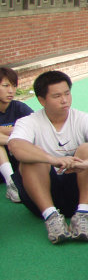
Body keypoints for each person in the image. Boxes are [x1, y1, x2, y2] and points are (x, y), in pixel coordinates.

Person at [9, 70, 88, 243]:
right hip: (40, 195)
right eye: (57, 96)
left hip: (79, 189)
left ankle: (83, 214)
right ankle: (51, 218)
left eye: (67, 93)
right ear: (41, 100)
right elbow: (16, 146)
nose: (64, 100)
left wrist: (87, 163)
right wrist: (53, 160)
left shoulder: (85, 119)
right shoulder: (29, 122)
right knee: (32, 158)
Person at [0, 66, 33, 203]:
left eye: (14, 86)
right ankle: (11, 183)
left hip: (18, 162)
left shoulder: (19, 107)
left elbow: (34, 127)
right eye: (5, 85)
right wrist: (14, 133)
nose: (11, 91)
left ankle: (13, 183)